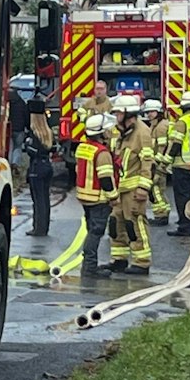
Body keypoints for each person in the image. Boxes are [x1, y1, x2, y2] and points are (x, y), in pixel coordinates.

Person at [109, 95, 153, 275]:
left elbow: (148, 162)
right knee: (116, 224)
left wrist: (143, 187)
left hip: (134, 190)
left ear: (128, 114)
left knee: (134, 224)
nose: (116, 116)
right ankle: (119, 259)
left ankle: (142, 262)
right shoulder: (119, 130)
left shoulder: (142, 133)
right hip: (119, 189)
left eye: (118, 113)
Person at [73, 113, 119, 278]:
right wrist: (114, 197)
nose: (109, 132)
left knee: (91, 230)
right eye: (106, 130)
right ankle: (90, 267)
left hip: (85, 197)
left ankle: (89, 265)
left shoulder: (82, 148)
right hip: (99, 199)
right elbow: (105, 179)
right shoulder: (102, 153)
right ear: (101, 133)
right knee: (96, 232)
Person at [167, 91, 190, 236]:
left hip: (182, 165)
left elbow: (176, 144)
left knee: (183, 196)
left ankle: (185, 226)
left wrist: (167, 160)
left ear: (182, 107)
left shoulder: (182, 122)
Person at [23, 98, 55, 236]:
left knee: (38, 200)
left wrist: (27, 145)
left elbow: (32, 151)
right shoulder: (47, 131)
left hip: (37, 167)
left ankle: (38, 228)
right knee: (45, 199)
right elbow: (53, 148)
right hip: (47, 165)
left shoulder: (34, 132)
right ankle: (44, 226)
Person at [141, 99, 172, 224]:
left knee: (156, 190)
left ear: (158, 112)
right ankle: (162, 214)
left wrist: (158, 164)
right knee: (157, 190)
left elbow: (162, 147)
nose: (149, 114)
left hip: (158, 164)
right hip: (157, 163)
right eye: (147, 112)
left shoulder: (161, 127)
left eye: (151, 112)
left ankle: (161, 216)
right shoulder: (156, 125)